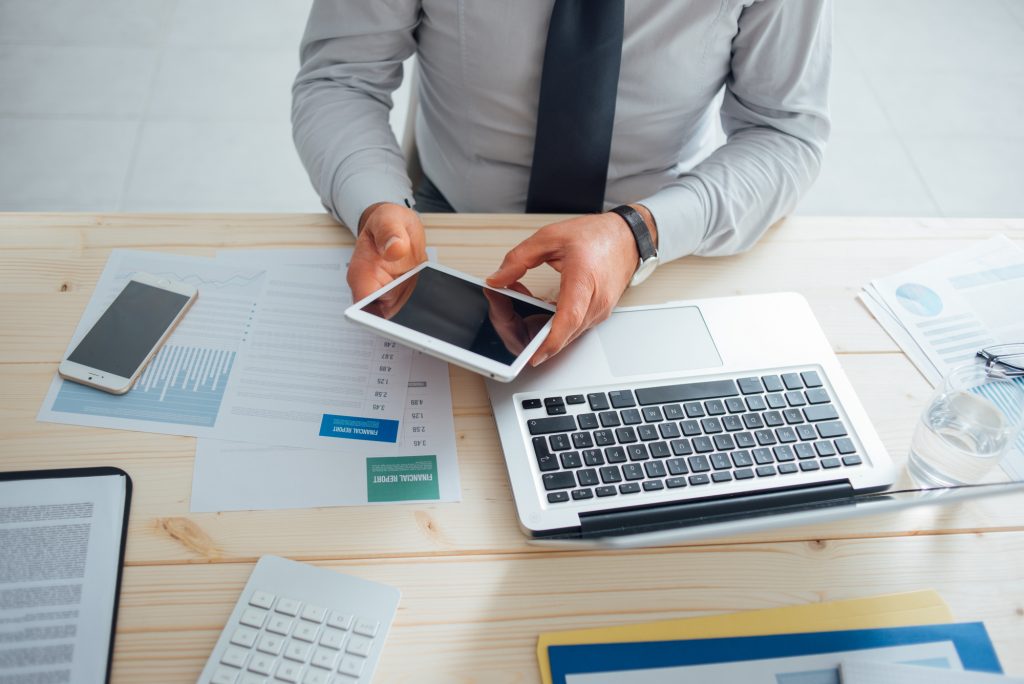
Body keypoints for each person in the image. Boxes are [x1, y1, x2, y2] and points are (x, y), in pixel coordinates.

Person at [292, 1, 831, 366]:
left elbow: (783, 131)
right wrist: (373, 202)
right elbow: (342, 77)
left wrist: (641, 233)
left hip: (666, 233)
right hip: (450, 220)